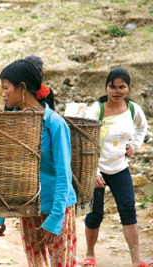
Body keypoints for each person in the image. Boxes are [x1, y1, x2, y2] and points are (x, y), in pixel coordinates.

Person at [0, 59, 78, 266]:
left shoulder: (54, 123)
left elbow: (63, 172)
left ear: (22, 88)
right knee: (36, 263)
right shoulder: (10, 122)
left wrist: (56, 218)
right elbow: (6, 171)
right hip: (28, 208)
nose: (3, 94)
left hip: (58, 207)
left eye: (5, 88)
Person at [82, 67, 149, 267]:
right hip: (97, 170)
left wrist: (134, 145)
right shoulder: (97, 110)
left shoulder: (133, 110)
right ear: (107, 87)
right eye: (113, 86)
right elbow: (85, 140)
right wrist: (92, 171)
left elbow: (142, 126)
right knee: (95, 214)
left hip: (120, 168)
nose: (117, 91)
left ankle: (136, 260)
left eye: (122, 87)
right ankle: (90, 254)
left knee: (128, 210)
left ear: (128, 88)